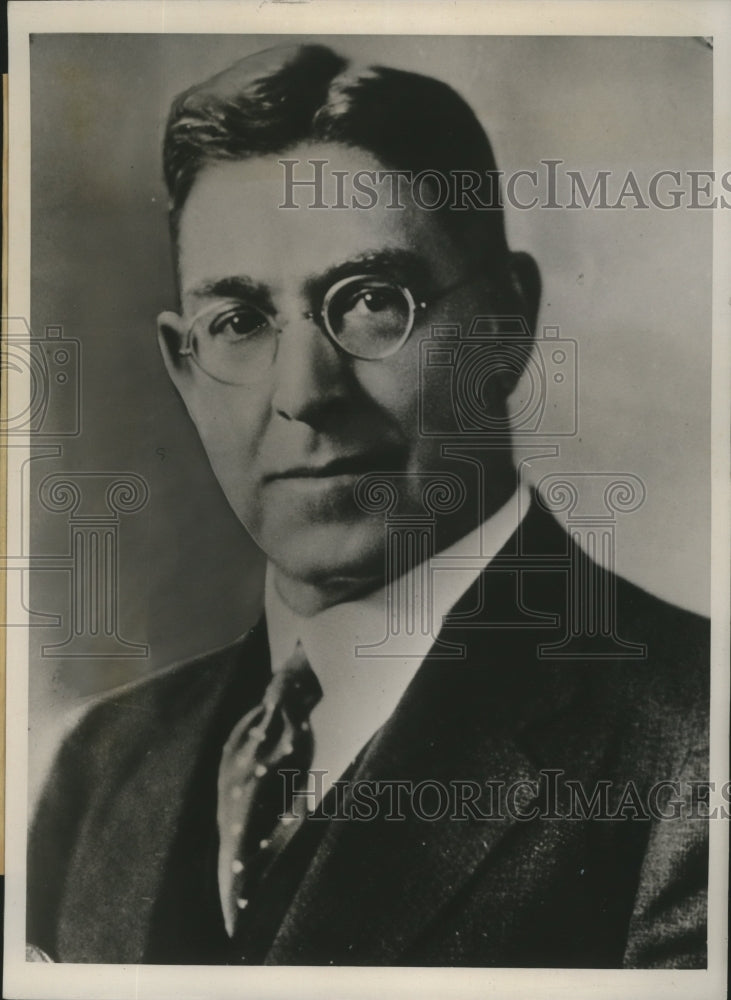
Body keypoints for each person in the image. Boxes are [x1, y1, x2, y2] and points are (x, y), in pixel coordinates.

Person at [27, 43, 709, 968]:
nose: (304, 391)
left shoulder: (693, 742)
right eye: (238, 322)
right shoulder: (102, 767)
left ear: (508, 323)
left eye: (371, 302)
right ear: (183, 368)